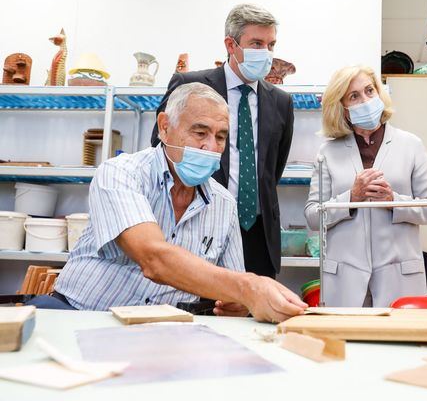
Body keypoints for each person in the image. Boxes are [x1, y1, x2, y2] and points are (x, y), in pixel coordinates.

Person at [44, 83, 306, 323]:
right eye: (200, 132)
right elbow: (153, 258)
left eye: (221, 137)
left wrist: (237, 302)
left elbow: (232, 287)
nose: (211, 147)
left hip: (162, 330)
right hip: (82, 315)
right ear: (164, 126)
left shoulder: (223, 203)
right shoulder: (121, 173)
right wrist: (248, 288)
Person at [151, 4, 293, 279]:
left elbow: (272, 171)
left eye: (271, 44)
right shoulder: (189, 84)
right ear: (231, 44)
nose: (266, 53)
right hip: (197, 222)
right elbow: (163, 148)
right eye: (256, 43)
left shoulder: (281, 101)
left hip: (258, 234)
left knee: (251, 315)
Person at [304, 66, 427, 307]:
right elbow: (312, 216)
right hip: (344, 279)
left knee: (398, 343)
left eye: (370, 91)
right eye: (354, 96)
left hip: (399, 277)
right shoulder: (328, 152)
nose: (365, 100)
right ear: (343, 109)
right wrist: (351, 197)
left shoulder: (411, 145)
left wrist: (393, 201)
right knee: (345, 344)